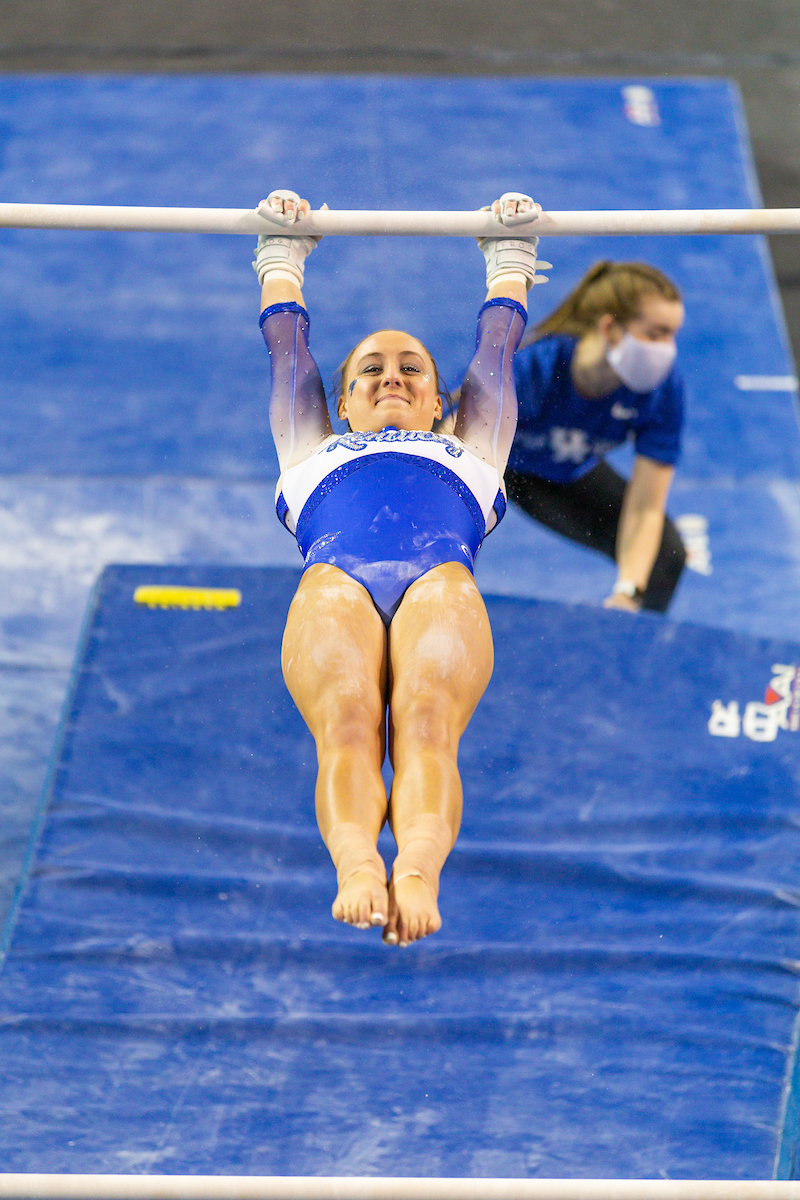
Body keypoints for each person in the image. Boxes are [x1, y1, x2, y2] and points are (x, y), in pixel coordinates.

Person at [254, 188, 544, 947]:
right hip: (335, 584)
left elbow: (497, 350)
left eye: (412, 369)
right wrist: (282, 252)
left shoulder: (472, 444)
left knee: (424, 722)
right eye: (371, 370)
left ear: (442, 403)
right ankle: (355, 862)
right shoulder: (308, 445)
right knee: (348, 722)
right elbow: (288, 349)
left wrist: (509, 256)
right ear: (341, 405)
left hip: (437, 581)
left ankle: (416, 866)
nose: (392, 376)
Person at [506, 261, 687, 613]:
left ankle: (632, 650)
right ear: (611, 328)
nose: (668, 349)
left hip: (565, 475)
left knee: (665, 554)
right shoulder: (534, 368)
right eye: (656, 333)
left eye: (673, 335)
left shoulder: (662, 388)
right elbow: (457, 441)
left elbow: (646, 506)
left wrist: (628, 592)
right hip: (493, 464)